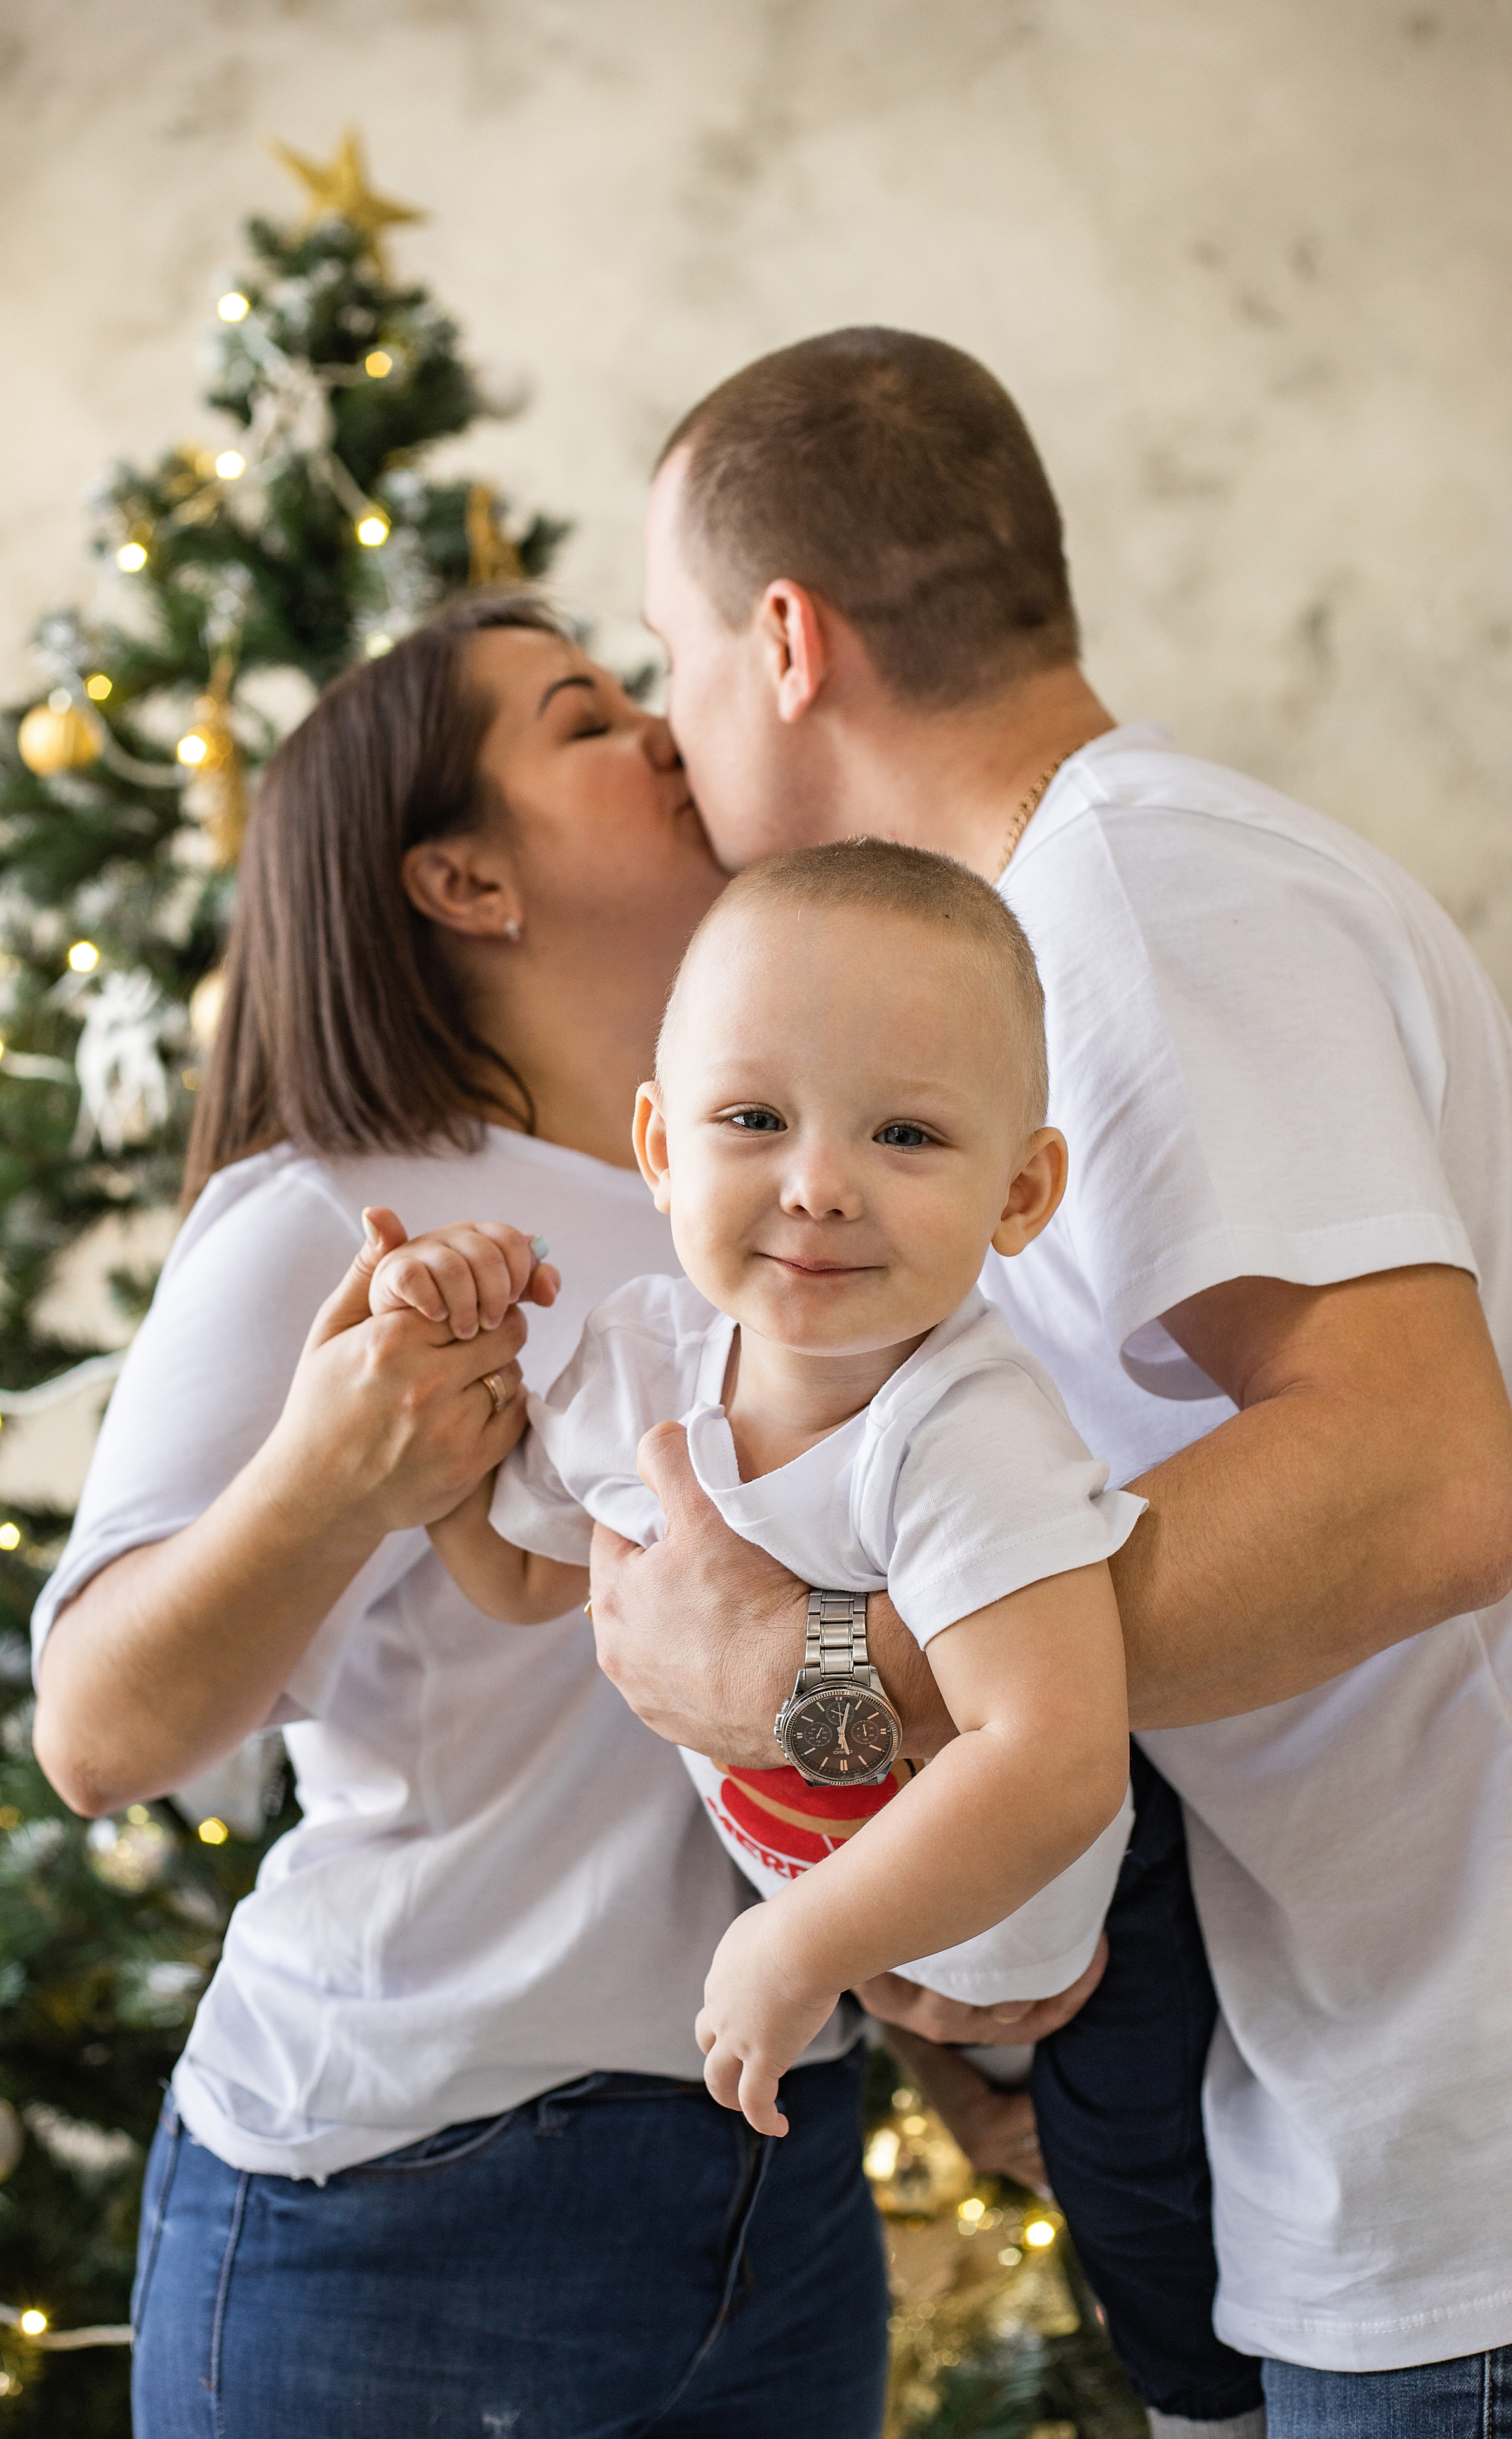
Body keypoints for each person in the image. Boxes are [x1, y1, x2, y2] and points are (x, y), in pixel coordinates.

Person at [584, 327, 1512, 2439]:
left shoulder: (1139, 894)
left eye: (672, 651)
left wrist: (827, 1677)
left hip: (1462, 2130)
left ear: (789, 640)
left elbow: (1432, 1475)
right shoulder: (1055, 932)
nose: (666, 722)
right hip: (1357, 2095)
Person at [29, 595, 893, 2439]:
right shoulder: (323, 1217)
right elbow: (98, 1736)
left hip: (783, 2173)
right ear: (465, 883)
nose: (667, 727)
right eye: (586, 717)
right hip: (408, 2209)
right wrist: (334, 1479)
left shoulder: (788, 1204)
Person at [368, 838, 1141, 2137]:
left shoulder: (963, 1433)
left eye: (904, 1133)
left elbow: (1055, 1763)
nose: (819, 1186)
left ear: (1018, 1192)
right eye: (752, 1120)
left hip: (1045, 1979)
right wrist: (444, 1366)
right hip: (847, 1964)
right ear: (660, 1147)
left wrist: (798, 1948)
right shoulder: (638, 1364)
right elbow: (518, 1576)